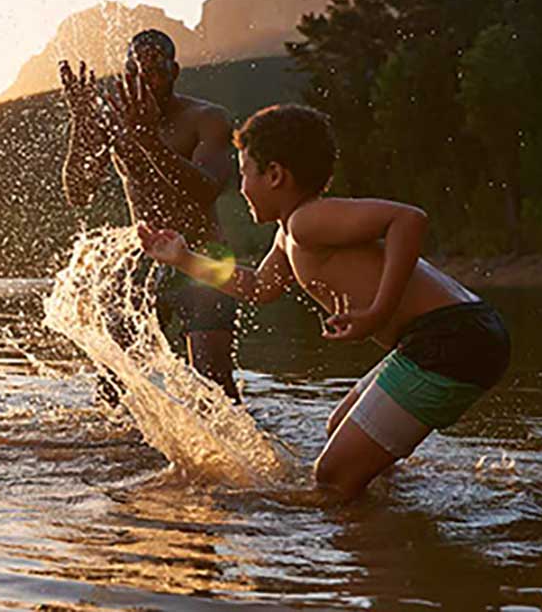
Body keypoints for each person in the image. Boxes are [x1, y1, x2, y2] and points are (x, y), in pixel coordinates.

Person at [138, 104, 511, 500]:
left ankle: (374, 549)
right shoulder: (290, 234)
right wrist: (182, 258)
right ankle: (397, 511)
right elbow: (259, 287)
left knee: (332, 478)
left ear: (276, 175)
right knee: (339, 431)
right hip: (452, 335)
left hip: (451, 338)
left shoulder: (308, 220)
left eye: (245, 172)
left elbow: (408, 219)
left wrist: (378, 311)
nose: (242, 186)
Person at [60, 29, 241, 400]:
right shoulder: (116, 120)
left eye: (155, 72)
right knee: (112, 392)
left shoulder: (208, 118)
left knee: (215, 389)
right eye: (135, 73)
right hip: (142, 266)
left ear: (174, 72)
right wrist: (82, 121)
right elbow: (79, 193)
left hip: (205, 258)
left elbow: (207, 188)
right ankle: (124, 458)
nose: (145, 81)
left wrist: (149, 142)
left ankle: (239, 457)